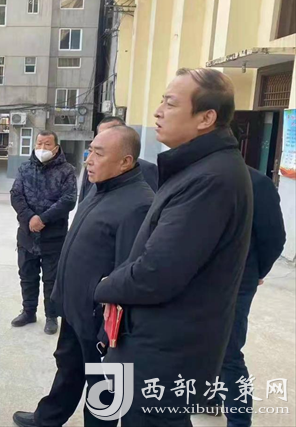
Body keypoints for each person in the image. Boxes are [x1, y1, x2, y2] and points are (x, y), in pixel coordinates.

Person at [94, 68, 253, 427]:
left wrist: (104, 285)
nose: (158, 112)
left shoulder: (210, 180)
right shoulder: (197, 168)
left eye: (170, 103)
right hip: (160, 342)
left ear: (206, 118)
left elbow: (156, 273)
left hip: (167, 351)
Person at [13, 125, 154, 427]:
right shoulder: (99, 188)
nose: (88, 160)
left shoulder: (138, 205)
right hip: (76, 309)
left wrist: (107, 331)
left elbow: (129, 275)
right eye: (90, 152)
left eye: (98, 154)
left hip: (102, 322)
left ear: (125, 162)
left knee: (105, 387)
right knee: (68, 367)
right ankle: (48, 419)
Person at [206, 164, 286, 425]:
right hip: (196, 280)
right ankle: (210, 399)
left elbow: (274, 238)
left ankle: (239, 421)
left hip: (236, 281)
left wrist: (256, 271)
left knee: (228, 351)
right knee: (201, 345)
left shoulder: (256, 183)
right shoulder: (192, 176)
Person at [10, 131, 77, 335]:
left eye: (47, 144)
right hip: (27, 235)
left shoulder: (67, 171)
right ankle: (28, 312)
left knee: (51, 279)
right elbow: (16, 195)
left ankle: (51, 316)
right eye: (39, 143)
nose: (42, 148)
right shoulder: (24, 168)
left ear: (56, 148)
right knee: (27, 276)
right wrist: (30, 217)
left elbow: (68, 200)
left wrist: (43, 219)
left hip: (53, 237)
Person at [78, 116, 158, 202]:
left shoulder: (146, 170)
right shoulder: (92, 168)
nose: (89, 160)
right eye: (100, 135)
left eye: (109, 135)